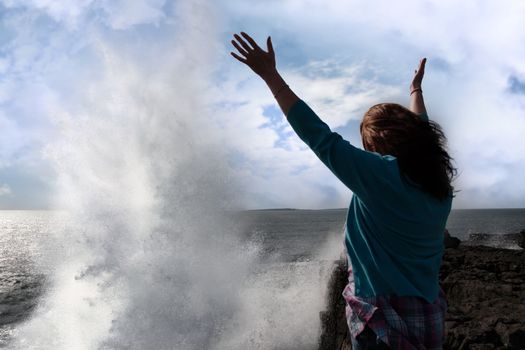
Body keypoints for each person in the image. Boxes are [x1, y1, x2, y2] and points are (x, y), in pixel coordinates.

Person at [230, 32, 456, 350]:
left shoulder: (379, 176)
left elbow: (319, 136)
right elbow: (424, 133)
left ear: (377, 147)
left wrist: (271, 76)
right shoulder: (438, 182)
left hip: (381, 318)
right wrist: (416, 91)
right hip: (428, 311)